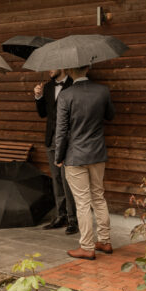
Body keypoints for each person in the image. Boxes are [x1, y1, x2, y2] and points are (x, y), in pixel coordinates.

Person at [55, 65, 115, 260]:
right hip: (97, 153)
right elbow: (110, 116)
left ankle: (87, 246)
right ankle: (105, 241)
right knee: (99, 196)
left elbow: (61, 131)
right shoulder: (102, 91)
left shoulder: (66, 95)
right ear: (87, 68)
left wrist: (58, 157)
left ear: (71, 70)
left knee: (82, 202)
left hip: (75, 156)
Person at [34, 68, 78, 234]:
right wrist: (38, 96)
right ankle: (61, 215)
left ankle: (73, 219)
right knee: (56, 179)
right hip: (51, 139)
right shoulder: (48, 87)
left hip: (68, 140)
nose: (49, 69)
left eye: (53, 65)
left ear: (63, 65)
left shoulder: (73, 85)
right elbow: (42, 113)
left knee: (68, 179)